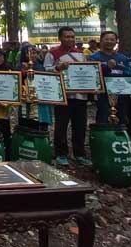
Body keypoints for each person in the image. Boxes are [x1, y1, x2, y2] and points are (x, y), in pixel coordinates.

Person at [44, 26, 91, 166]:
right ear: (60, 38)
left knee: (80, 125)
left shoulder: (80, 53)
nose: (70, 39)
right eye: (67, 36)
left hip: (80, 96)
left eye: (72, 36)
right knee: (61, 125)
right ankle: (61, 153)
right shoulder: (52, 53)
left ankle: (79, 153)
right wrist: (57, 68)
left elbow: (87, 71)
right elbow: (46, 70)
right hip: (63, 96)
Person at [90, 31, 131, 124]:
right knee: (103, 120)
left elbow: (129, 73)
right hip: (103, 96)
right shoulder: (93, 57)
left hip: (121, 95)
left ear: (116, 42)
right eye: (106, 39)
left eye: (112, 39)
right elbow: (92, 76)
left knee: (122, 121)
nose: (109, 41)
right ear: (100, 41)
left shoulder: (123, 58)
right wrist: (107, 67)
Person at [17, 44, 52, 130]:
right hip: (26, 99)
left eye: (34, 53)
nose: (32, 55)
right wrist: (23, 73)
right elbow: (16, 82)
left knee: (41, 123)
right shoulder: (19, 66)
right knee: (26, 122)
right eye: (29, 53)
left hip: (40, 98)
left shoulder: (40, 66)